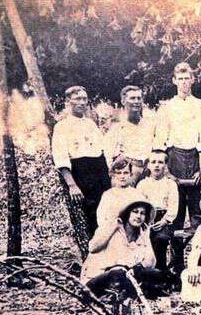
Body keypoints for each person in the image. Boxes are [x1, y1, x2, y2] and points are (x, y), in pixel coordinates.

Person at [153, 62, 201, 232]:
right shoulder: (166, 108)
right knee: (175, 209)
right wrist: (167, 171)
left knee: (197, 212)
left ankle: (198, 256)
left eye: (187, 78)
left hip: (195, 157)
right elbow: (160, 140)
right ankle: (176, 258)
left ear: (193, 80)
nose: (184, 82)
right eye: (180, 79)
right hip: (174, 157)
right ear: (174, 81)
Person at [81, 193, 168, 299]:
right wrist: (113, 228)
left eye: (142, 213)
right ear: (127, 213)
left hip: (126, 277)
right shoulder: (111, 226)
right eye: (135, 212)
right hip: (98, 277)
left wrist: (146, 235)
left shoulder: (142, 234)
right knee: (118, 273)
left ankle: (127, 295)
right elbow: (92, 248)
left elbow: (151, 264)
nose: (138, 216)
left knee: (157, 274)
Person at [52, 86, 111, 241]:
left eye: (85, 99)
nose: (82, 102)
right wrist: (72, 185)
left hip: (99, 170)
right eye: (78, 99)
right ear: (67, 101)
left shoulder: (90, 124)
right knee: (91, 215)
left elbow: (102, 150)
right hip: (81, 171)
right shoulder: (61, 127)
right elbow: (61, 157)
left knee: (106, 211)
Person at [136, 150, 179, 275]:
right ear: (148, 165)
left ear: (165, 166)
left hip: (164, 219)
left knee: (160, 239)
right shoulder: (142, 184)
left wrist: (165, 221)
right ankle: (144, 273)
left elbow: (173, 206)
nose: (156, 165)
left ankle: (160, 272)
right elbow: (139, 205)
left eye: (160, 162)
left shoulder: (170, 184)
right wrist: (145, 222)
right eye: (153, 162)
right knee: (144, 240)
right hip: (145, 219)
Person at [104, 85, 155, 185]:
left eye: (139, 98)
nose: (136, 101)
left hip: (149, 171)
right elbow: (108, 155)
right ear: (123, 101)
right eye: (132, 98)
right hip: (127, 171)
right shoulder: (116, 127)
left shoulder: (150, 124)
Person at [97, 158, 139, 227]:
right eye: (119, 173)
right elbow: (101, 217)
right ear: (114, 175)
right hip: (112, 231)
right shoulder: (108, 195)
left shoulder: (136, 194)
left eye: (125, 173)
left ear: (131, 174)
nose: (122, 176)